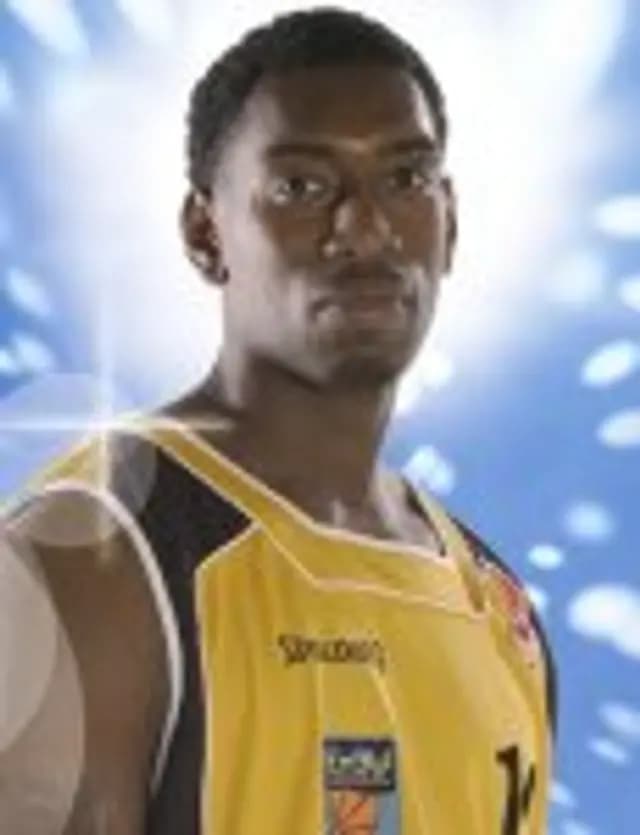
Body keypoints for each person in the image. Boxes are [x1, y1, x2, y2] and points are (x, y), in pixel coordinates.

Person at [0, 7, 557, 834]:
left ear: (451, 221)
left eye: (406, 178)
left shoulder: (497, 605)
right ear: (205, 233)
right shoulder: (93, 556)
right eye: (302, 186)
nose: (366, 227)